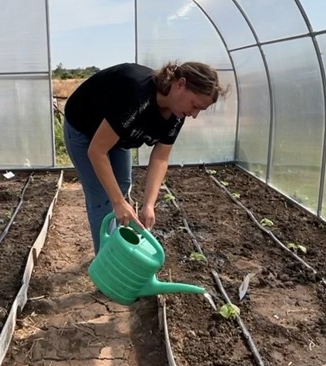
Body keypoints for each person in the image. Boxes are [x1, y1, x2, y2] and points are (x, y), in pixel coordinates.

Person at [62, 61, 227, 254]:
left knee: (122, 184)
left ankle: (117, 243)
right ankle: (107, 262)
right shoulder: (137, 95)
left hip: (117, 133)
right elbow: (97, 151)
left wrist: (149, 204)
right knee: (102, 199)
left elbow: (160, 158)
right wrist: (117, 202)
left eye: (200, 110)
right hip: (84, 130)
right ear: (180, 84)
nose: (194, 115)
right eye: (195, 106)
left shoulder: (177, 113)